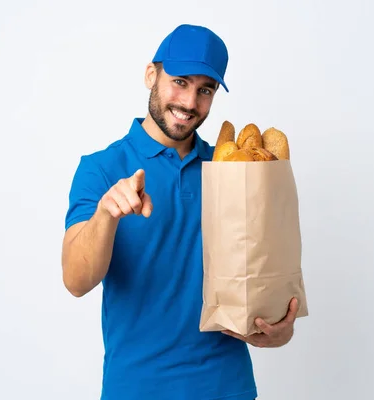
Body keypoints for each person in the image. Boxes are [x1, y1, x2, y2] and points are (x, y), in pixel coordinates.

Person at [61, 23, 299, 400]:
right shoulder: (102, 168)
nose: (190, 103)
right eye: (180, 81)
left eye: (205, 90)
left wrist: (279, 331)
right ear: (150, 75)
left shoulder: (235, 171)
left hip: (228, 387)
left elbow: (261, 278)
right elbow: (75, 281)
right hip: (137, 389)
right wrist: (107, 212)